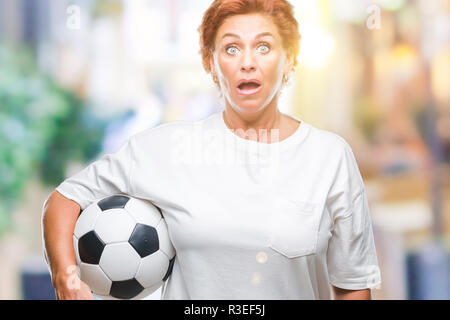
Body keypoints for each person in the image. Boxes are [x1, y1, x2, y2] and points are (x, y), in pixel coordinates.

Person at [42, 0, 381, 300]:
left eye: (264, 47)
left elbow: (353, 285)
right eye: (231, 49)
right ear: (210, 62)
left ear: (290, 58)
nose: (247, 62)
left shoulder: (329, 156)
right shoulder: (165, 149)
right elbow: (64, 199)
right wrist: (66, 278)